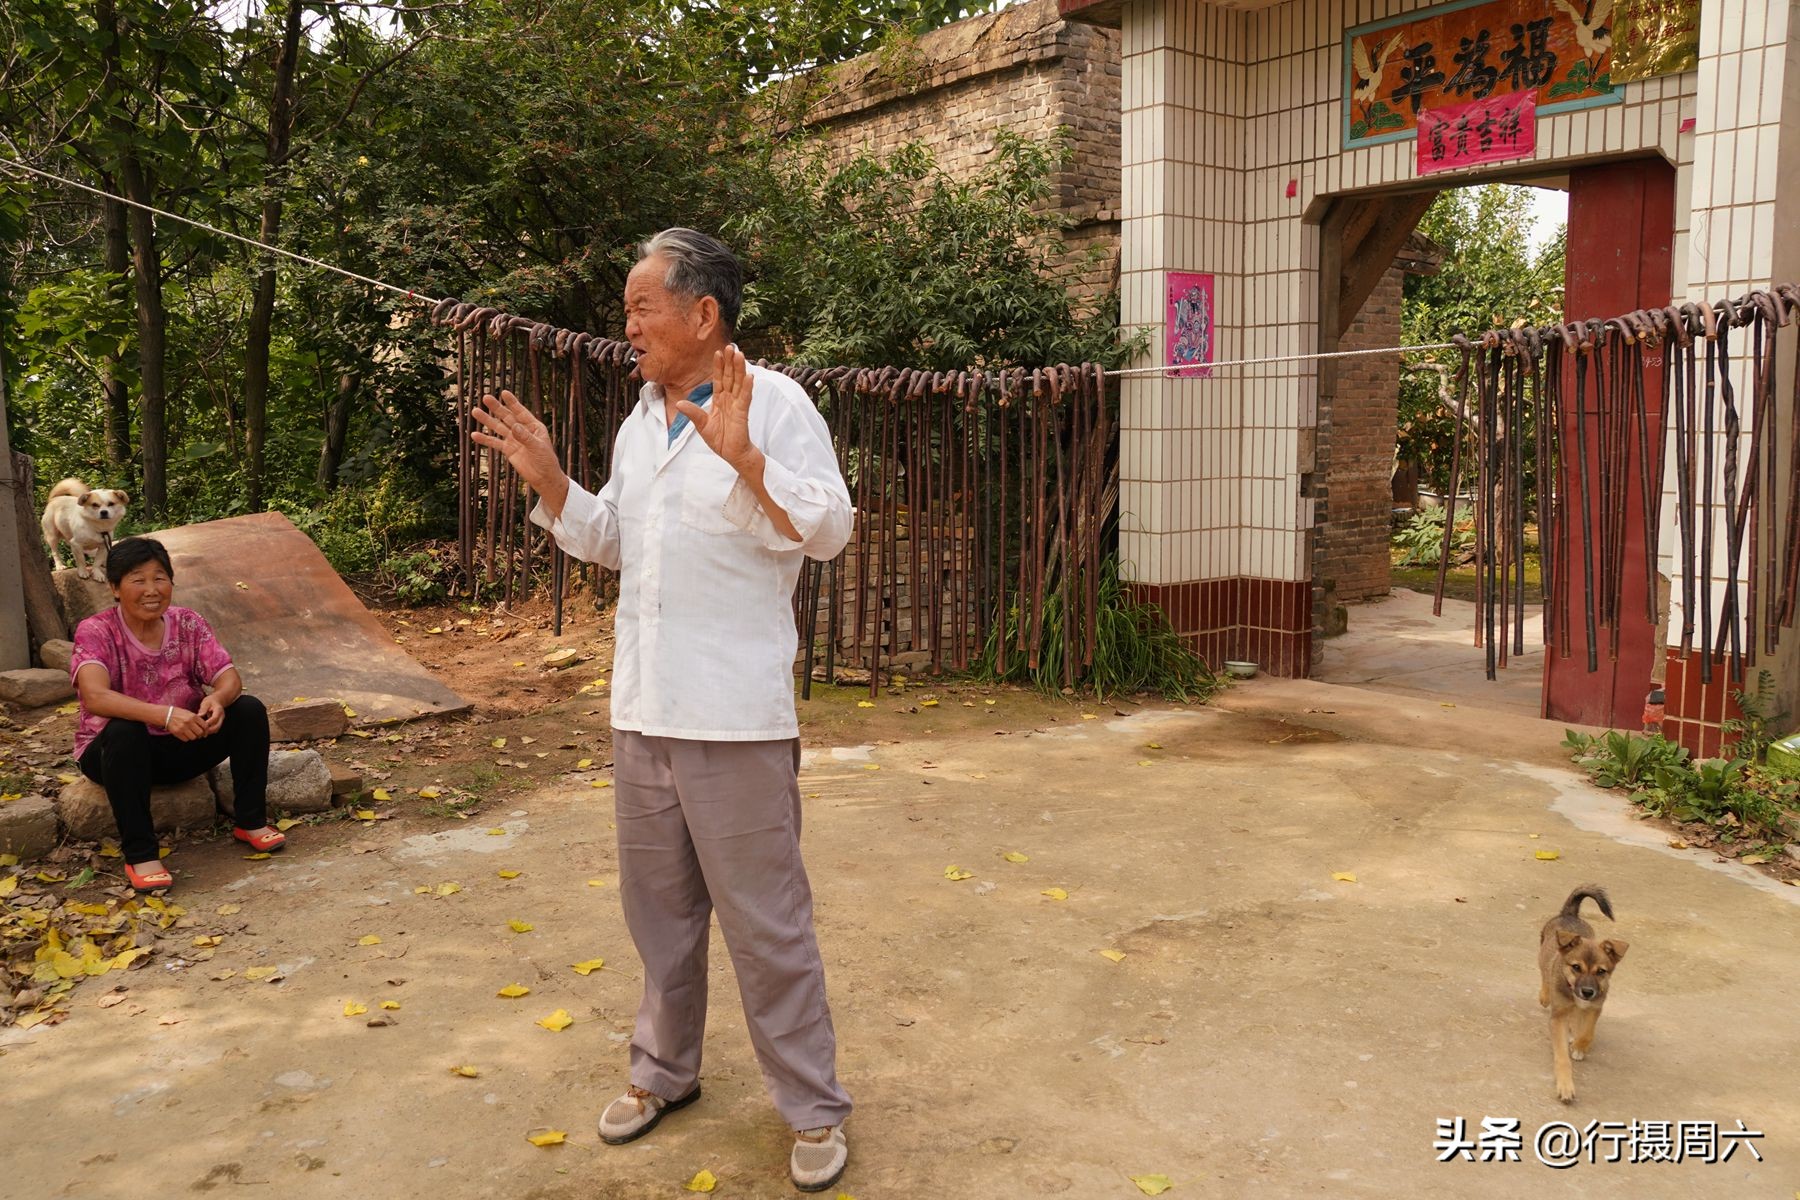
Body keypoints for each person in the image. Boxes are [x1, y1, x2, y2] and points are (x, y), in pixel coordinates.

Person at [470, 228, 854, 1193]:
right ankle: (664, 1075)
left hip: (734, 720)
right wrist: (555, 483)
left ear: (702, 315)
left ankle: (812, 1108)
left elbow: (832, 532)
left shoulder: (775, 403)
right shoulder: (640, 423)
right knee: (660, 919)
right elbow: (618, 543)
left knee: (767, 926)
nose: (627, 326)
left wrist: (751, 464)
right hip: (643, 711)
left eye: (641, 308)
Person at [70, 536, 286, 892]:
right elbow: (95, 696)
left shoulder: (187, 622)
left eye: (160, 578)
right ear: (114, 587)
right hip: (114, 754)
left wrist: (218, 698)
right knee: (125, 730)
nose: (151, 589)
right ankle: (141, 854)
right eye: (138, 579)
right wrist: (164, 715)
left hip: (181, 743)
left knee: (247, 709)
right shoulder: (96, 630)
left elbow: (229, 678)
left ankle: (250, 820)